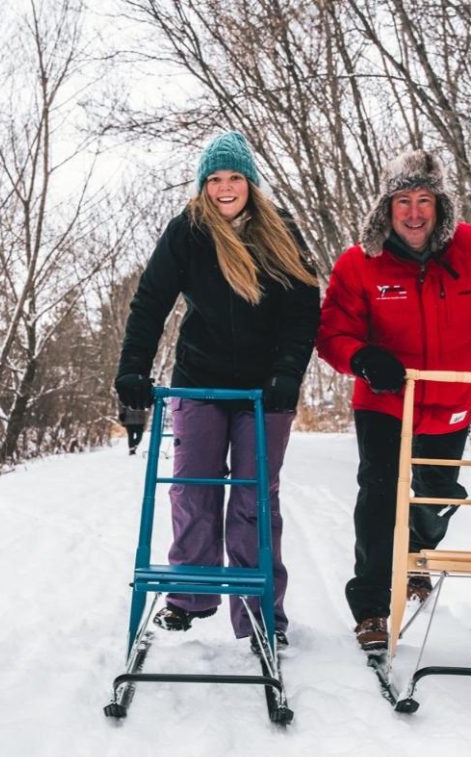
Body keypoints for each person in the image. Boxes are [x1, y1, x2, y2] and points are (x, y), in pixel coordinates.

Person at [316, 149, 471, 651]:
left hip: (451, 399)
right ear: (386, 207)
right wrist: (362, 357)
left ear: (440, 204)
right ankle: (371, 607)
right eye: (402, 201)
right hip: (385, 401)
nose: (414, 213)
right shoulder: (361, 262)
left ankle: (416, 552)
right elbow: (333, 332)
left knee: (437, 496)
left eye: (424, 200)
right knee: (380, 495)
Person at [115, 132, 320, 649]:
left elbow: (303, 311)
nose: (224, 188)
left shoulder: (281, 231)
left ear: (249, 181)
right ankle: (190, 595)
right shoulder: (187, 232)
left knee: (255, 498)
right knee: (192, 487)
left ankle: (259, 612)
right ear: (203, 185)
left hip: (264, 388)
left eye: (233, 178)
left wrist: (288, 374)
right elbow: (150, 303)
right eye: (214, 179)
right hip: (200, 379)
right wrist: (132, 370)